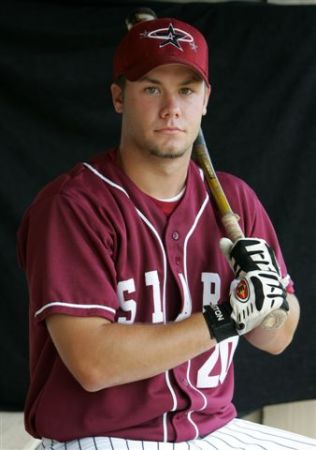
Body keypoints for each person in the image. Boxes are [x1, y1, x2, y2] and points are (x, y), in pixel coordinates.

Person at [17, 12, 316, 450]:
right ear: (119, 97)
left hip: (210, 429)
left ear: (206, 100)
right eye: (152, 88)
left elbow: (277, 338)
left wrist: (268, 300)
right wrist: (227, 316)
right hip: (100, 437)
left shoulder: (234, 201)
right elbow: (93, 362)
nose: (171, 107)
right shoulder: (73, 206)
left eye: (186, 90)